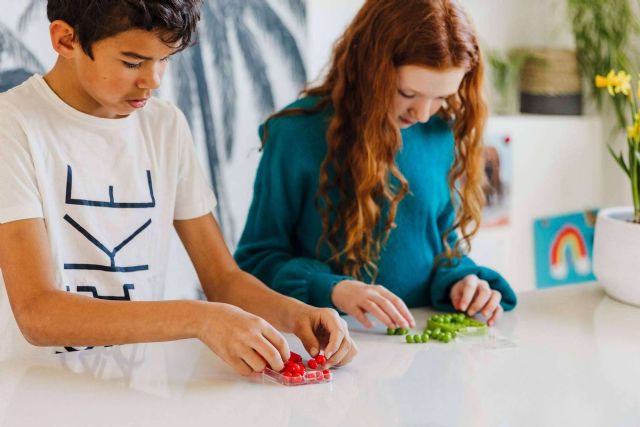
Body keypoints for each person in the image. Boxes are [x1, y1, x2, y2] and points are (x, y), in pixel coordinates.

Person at [0, 0, 356, 374]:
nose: (153, 81)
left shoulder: (164, 125)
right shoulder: (13, 124)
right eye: (133, 62)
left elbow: (223, 280)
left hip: (136, 390)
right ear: (65, 39)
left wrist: (297, 314)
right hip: (33, 394)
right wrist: (198, 318)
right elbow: (39, 314)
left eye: (165, 60)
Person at [234, 0, 517, 331]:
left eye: (441, 97)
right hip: (327, 349)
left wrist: (461, 283)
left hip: (424, 351)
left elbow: (440, 248)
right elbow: (255, 263)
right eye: (407, 92)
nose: (423, 114)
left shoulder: (440, 133)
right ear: (371, 69)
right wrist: (333, 289)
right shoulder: (297, 134)